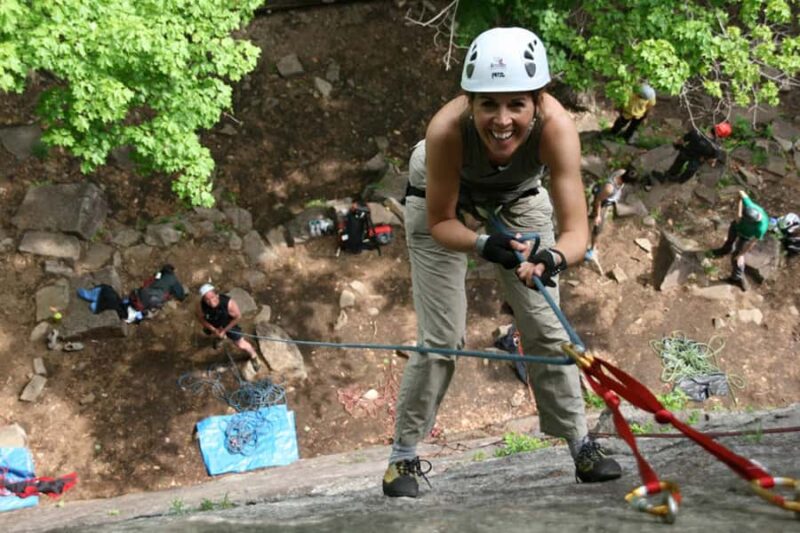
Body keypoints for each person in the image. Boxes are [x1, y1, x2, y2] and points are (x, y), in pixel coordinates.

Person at [384, 27, 621, 499]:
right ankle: (401, 459)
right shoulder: (446, 132)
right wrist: (482, 244)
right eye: (488, 104)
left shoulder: (556, 129)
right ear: (470, 103)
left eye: (517, 104)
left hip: (519, 195)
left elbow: (578, 233)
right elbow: (440, 222)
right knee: (442, 337)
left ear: (537, 101)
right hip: (440, 198)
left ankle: (580, 445)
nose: (502, 119)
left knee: (546, 327)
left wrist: (551, 257)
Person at [77, 264, 186, 323]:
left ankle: (94, 295)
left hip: (139, 295)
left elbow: (149, 281)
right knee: (121, 305)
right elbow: (181, 295)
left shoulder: (159, 274)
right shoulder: (173, 280)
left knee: (113, 296)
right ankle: (96, 302)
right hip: (147, 302)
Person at [709, 191, 768, 291]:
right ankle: (725, 250)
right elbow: (741, 192)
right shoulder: (750, 206)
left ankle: (736, 278)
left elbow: (752, 243)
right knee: (730, 240)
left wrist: (741, 254)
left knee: (737, 257)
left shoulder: (761, 227)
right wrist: (739, 211)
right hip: (736, 226)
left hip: (746, 236)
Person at [196, 283, 261, 370]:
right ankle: (220, 338)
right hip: (214, 324)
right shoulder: (201, 306)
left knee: (240, 344)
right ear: (203, 299)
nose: (211, 302)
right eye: (207, 300)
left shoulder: (228, 303)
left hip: (228, 324)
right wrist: (214, 330)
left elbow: (238, 317)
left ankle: (254, 356)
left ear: (216, 295)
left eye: (212, 297)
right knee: (212, 333)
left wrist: (225, 330)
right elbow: (201, 319)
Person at [586, 166, 639, 260]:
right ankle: (591, 249)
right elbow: (598, 200)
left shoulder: (621, 171)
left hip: (609, 198)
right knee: (598, 228)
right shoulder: (609, 189)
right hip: (602, 202)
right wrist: (598, 215)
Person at [663, 122, 731, 184]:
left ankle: (671, 173)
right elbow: (711, 162)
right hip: (698, 159)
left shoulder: (696, 133)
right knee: (692, 168)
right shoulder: (716, 148)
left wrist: (676, 143)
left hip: (687, 151)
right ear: (722, 136)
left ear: (713, 127)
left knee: (680, 159)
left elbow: (681, 141)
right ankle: (680, 180)